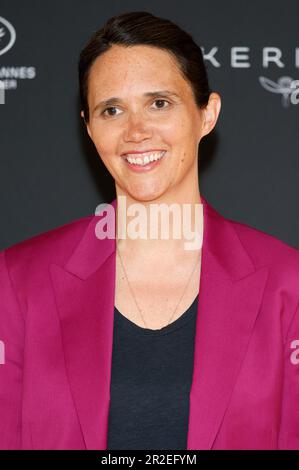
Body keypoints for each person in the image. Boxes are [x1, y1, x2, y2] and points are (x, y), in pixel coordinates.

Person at [0, 11, 299, 451]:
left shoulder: (286, 282)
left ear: (207, 114)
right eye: (112, 109)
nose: (136, 132)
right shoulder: (18, 280)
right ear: (89, 127)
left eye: (159, 103)